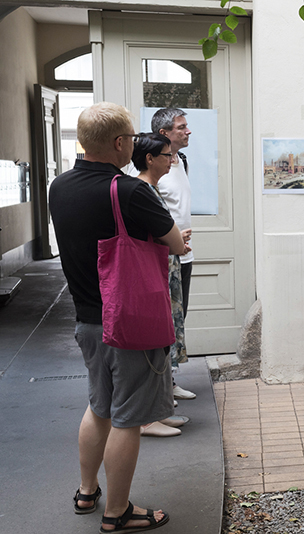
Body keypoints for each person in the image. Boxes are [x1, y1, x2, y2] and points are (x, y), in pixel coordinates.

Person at [49, 102, 187, 532]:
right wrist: (175, 238)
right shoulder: (129, 191)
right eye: (129, 136)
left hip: (87, 320)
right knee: (128, 418)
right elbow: (174, 244)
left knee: (99, 407)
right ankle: (118, 511)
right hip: (129, 321)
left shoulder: (59, 187)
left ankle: (88, 491)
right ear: (119, 143)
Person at [131, 132, 193, 438]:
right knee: (153, 343)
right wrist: (176, 240)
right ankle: (147, 418)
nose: (172, 161)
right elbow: (152, 235)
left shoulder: (151, 188)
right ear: (150, 159)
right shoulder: (141, 189)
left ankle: (159, 411)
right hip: (154, 273)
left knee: (164, 341)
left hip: (166, 268)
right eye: (167, 156)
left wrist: (176, 241)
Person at [151, 107, 195, 401]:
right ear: (164, 133)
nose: (188, 131)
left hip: (184, 257)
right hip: (161, 258)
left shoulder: (181, 161)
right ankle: (158, 386)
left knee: (178, 319)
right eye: (181, 127)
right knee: (162, 323)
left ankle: (170, 378)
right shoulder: (152, 167)